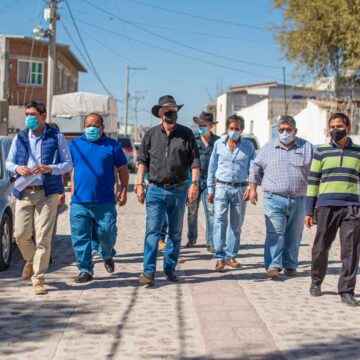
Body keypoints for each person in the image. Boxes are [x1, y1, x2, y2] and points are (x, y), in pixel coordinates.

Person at [6, 100, 72, 295]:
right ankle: (30, 260)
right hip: (24, 192)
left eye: (33, 115)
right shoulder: (20, 137)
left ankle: (38, 279)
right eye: (27, 114)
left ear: (43, 117)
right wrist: (18, 168)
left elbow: (68, 163)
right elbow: (9, 162)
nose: (29, 118)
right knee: (20, 234)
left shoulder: (56, 137)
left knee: (43, 238)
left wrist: (50, 168)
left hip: (47, 192)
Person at [135, 95, 200, 286]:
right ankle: (148, 271)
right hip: (155, 190)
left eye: (174, 110)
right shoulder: (150, 134)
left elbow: (194, 162)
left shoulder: (187, 134)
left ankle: (170, 269)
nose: (171, 114)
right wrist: (139, 185)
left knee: (175, 232)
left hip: (179, 190)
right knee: (153, 231)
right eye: (167, 111)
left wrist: (194, 184)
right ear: (160, 114)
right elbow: (142, 162)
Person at [305, 112, 360, 307]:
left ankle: (346, 290)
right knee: (321, 247)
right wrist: (309, 210)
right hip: (326, 206)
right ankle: (316, 282)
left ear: (348, 128)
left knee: (351, 250)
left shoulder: (358, 152)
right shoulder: (321, 151)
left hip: (352, 207)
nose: (335, 130)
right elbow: (313, 181)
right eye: (332, 127)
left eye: (339, 126)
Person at [249, 115, 313, 278]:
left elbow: (316, 173)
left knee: (294, 234)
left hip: (299, 200)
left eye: (288, 130)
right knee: (275, 232)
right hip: (274, 198)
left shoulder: (307, 148)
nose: (284, 132)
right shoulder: (268, 148)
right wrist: (253, 188)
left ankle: (290, 265)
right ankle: (273, 265)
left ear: (295, 131)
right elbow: (256, 170)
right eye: (281, 130)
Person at [69, 113, 129, 283]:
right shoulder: (75, 145)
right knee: (80, 236)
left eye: (95, 125)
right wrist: (61, 190)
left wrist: (124, 189)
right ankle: (85, 269)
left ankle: (107, 253)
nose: (91, 128)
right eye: (88, 125)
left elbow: (123, 168)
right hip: (80, 201)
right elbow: (65, 169)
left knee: (107, 232)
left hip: (105, 201)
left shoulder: (112, 145)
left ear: (102, 128)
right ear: (83, 127)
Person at [207, 115, 255, 271]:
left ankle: (230, 256)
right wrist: (210, 189)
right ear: (227, 128)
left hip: (240, 189)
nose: (234, 131)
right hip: (221, 187)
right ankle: (219, 257)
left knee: (236, 224)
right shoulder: (218, 144)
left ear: (242, 130)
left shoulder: (248, 146)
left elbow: (253, 168)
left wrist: (251, 188)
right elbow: (212, 168)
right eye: (231, 128)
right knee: (219, 221)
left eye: (237, 129)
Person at [186, 112, 220, 252]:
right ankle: (192, 237)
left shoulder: (218, 142)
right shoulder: (192, 140)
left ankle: (211, 242)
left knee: (211, 211)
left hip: (210, 181)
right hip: (194, 180)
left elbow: (221, 161)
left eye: (204, 125)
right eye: (199, 125)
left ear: (211, 126)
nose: (201, 128)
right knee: (192, 210)